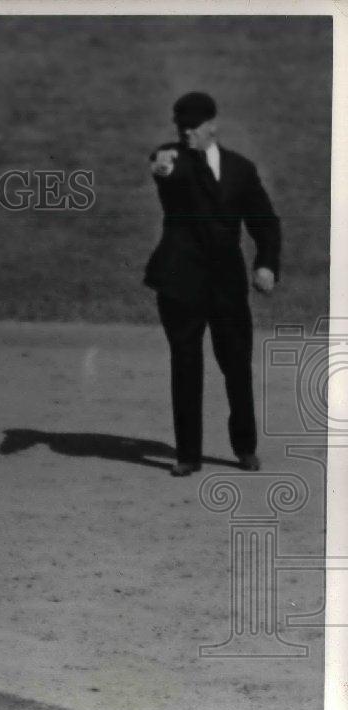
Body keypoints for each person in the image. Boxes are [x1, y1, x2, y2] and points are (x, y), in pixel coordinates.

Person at [146, 92, 281, 477]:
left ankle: (245, 447)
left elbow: (265, 222)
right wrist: (162, 161)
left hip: (226, 284)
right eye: (181, 128)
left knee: (236, 364)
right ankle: (188, 455)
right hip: (180, 281)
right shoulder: (176, 162)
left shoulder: (240, 169)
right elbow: (164, 163)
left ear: (212, 126)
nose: (187, 134)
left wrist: (266, 264)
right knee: (186, 364)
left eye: (193, 128)